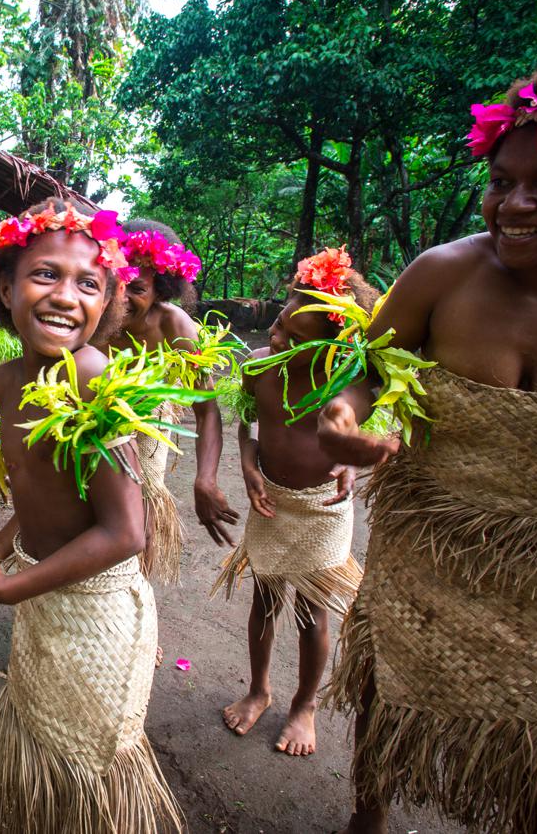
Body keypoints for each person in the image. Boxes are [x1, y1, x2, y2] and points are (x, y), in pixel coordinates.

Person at [315, 49, 537, 834]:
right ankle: (368, 813)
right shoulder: (441, 276)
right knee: (390, 687)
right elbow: (366, 371)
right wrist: (347, 420)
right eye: (501, 183)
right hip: (425, 552)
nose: (513, 205)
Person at [0, 200, 185, 833]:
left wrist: (6, 585)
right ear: (6, 287)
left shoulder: (91, 376)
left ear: (107, 306)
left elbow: (127, 532)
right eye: (46, 275)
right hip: (45, 593)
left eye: (88, 283)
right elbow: (35, 486)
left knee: (88, 769)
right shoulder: (5, 378)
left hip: (99, 614)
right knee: (42, 744)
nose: (66, 296)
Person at [211, 249, 373, 757]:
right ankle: (259, 689)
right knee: (265, 598)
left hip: (323, 508)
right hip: (272, 501)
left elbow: (362, 429)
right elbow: (246, 422)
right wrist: (248, 466)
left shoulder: (344, 381)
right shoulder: (259, 366)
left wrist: (351, 460)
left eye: (294, 339)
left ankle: (305, 704)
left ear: (333, 347)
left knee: (312, 612)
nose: (276, 339)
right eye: (280, 324)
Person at [102, 218, 238, 582]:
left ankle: (138, 621)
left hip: (148, 438)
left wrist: (205, 479)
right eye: (117, 282)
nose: (122, 296)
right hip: (90, 436)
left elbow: (207, 411)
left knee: (139, 526)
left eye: (138, 288)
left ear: (161, 291)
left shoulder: (173, 327)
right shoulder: (90, 316)